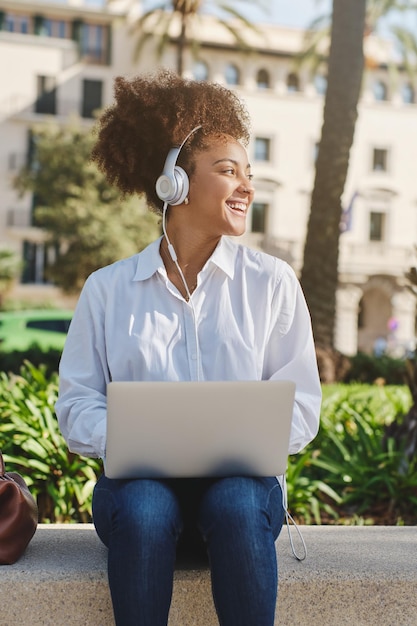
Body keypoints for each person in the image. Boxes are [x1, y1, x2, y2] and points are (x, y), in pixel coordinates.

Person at [55, 70, 321, 626]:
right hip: (139, 506)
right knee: (148, 504)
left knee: (237, 499)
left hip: (242, 503)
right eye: (227, 171)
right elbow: (77, 406)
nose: (246, 186)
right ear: (175, 182)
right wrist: (139, 440)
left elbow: (301, 408)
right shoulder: (107, 290)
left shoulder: (273, 283)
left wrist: (240, 440)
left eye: (249, 172)